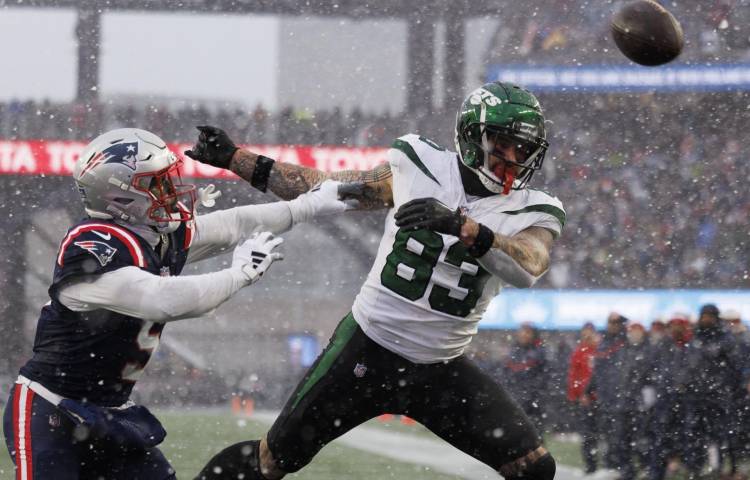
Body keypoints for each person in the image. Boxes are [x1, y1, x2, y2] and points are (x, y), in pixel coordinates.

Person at [188, 81, 565, 480]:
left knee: (534, 468)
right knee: (272, 461)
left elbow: (529, 264)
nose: (514, 157)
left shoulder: (536, 209)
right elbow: (326, 189)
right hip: (366, 349)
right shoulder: (417, 162)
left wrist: (466, 228)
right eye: (502, 144)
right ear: (472, 137)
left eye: (523, 148)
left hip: (441, 367)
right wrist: (237, 158)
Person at [1, 128, 349, 480]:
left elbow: (234, 224)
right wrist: (240, 274)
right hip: (52, 411)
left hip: (110, 411)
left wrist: (309, 205)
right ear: (120, 197)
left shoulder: (153, 236)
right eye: (158, 183)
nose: (170, 191)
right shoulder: (94, 245)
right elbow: (162, 301)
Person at [566, 322, 599, 475]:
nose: (587, 335)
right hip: (585, 400)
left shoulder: (599, 351)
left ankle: (602, 465)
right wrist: (576, 396)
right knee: (587, 434)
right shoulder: (579, 352)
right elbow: (574, 376)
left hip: (599, 399)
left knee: (600, 433)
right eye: (585, 332)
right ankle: (590, 465)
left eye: (590, 332)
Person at [503, 323, 548, 432]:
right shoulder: (514, 351)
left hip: (534, 400)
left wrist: (530, 393)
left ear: (533, 334)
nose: (524, 335)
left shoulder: (540, 352)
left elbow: (545, 376)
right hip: (515, 398)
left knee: (534, 433)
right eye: (522, 331)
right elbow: (506, 373)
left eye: (527, 332)